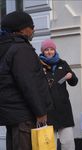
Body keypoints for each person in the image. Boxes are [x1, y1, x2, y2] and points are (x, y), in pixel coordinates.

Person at [0, 11, 52, 150]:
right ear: (22, 29)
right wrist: (40, 112)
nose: (33, 29)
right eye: (31, 26)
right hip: (25, 116)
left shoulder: (5, 47)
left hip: (12, 115)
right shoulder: (21, 49)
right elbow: (28, 83)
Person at [39, 39, 78, 150]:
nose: (49, 52)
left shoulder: (62, 63)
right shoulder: (38, 65)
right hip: (47, 111)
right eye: (46, 50)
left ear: (55, 50)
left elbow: (74, 82)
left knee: (68, 143)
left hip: (63, 110)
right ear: (42, 51)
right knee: (49, 145)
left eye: (51, 49)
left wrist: (72, 76)